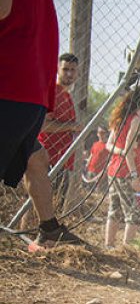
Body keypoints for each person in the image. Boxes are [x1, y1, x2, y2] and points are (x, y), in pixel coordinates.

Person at [0, 0, 83, 248]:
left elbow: (2, 3)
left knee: (34, 155)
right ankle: (49, 228)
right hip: (24, 87)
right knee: (35, 157)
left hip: (10, 85)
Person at [104, 86, 140, 247]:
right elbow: (129, 149)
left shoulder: (120, 118)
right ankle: (127, 248)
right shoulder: (135, 119)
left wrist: (121, 152)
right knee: (136, 210)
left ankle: (109, 245)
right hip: (127, 171)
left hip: (114, 169)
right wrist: (134, 176)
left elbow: (109, 145)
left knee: (115, 209)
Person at [37, 53, 81, 200]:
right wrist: (71, 126)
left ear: (78, 72)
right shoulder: (53, 92)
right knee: (38, 204)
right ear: (57, 69)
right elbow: (42, 125)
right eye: (65, 69)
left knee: (52, 207)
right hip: (47, 159)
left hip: (62, 161)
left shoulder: (67, 95)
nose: (69, 73)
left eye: (73, 70)